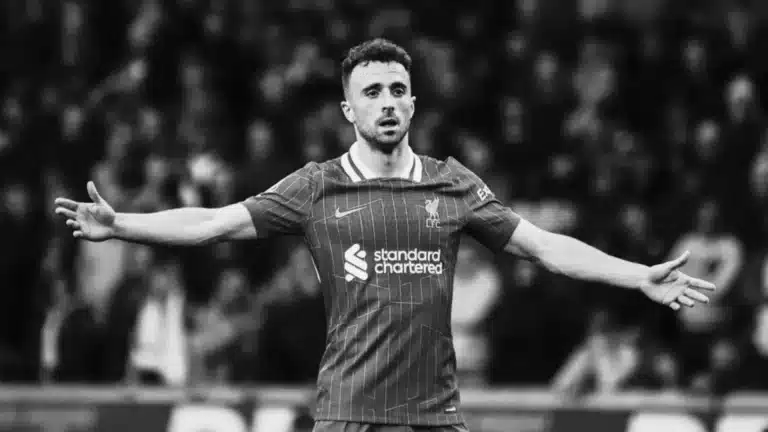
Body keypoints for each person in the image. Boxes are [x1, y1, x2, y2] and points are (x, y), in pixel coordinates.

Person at [54, 38, 716, 432]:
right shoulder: (316, 187)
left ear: (414, 103)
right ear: (349, 109)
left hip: (435, 417)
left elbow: (544, 246)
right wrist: (123, 225)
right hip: (348, 415)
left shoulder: (452, 184)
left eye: (398, 89)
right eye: (372, 92)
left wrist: (637, 274)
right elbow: (211, 222)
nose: (388, 101)